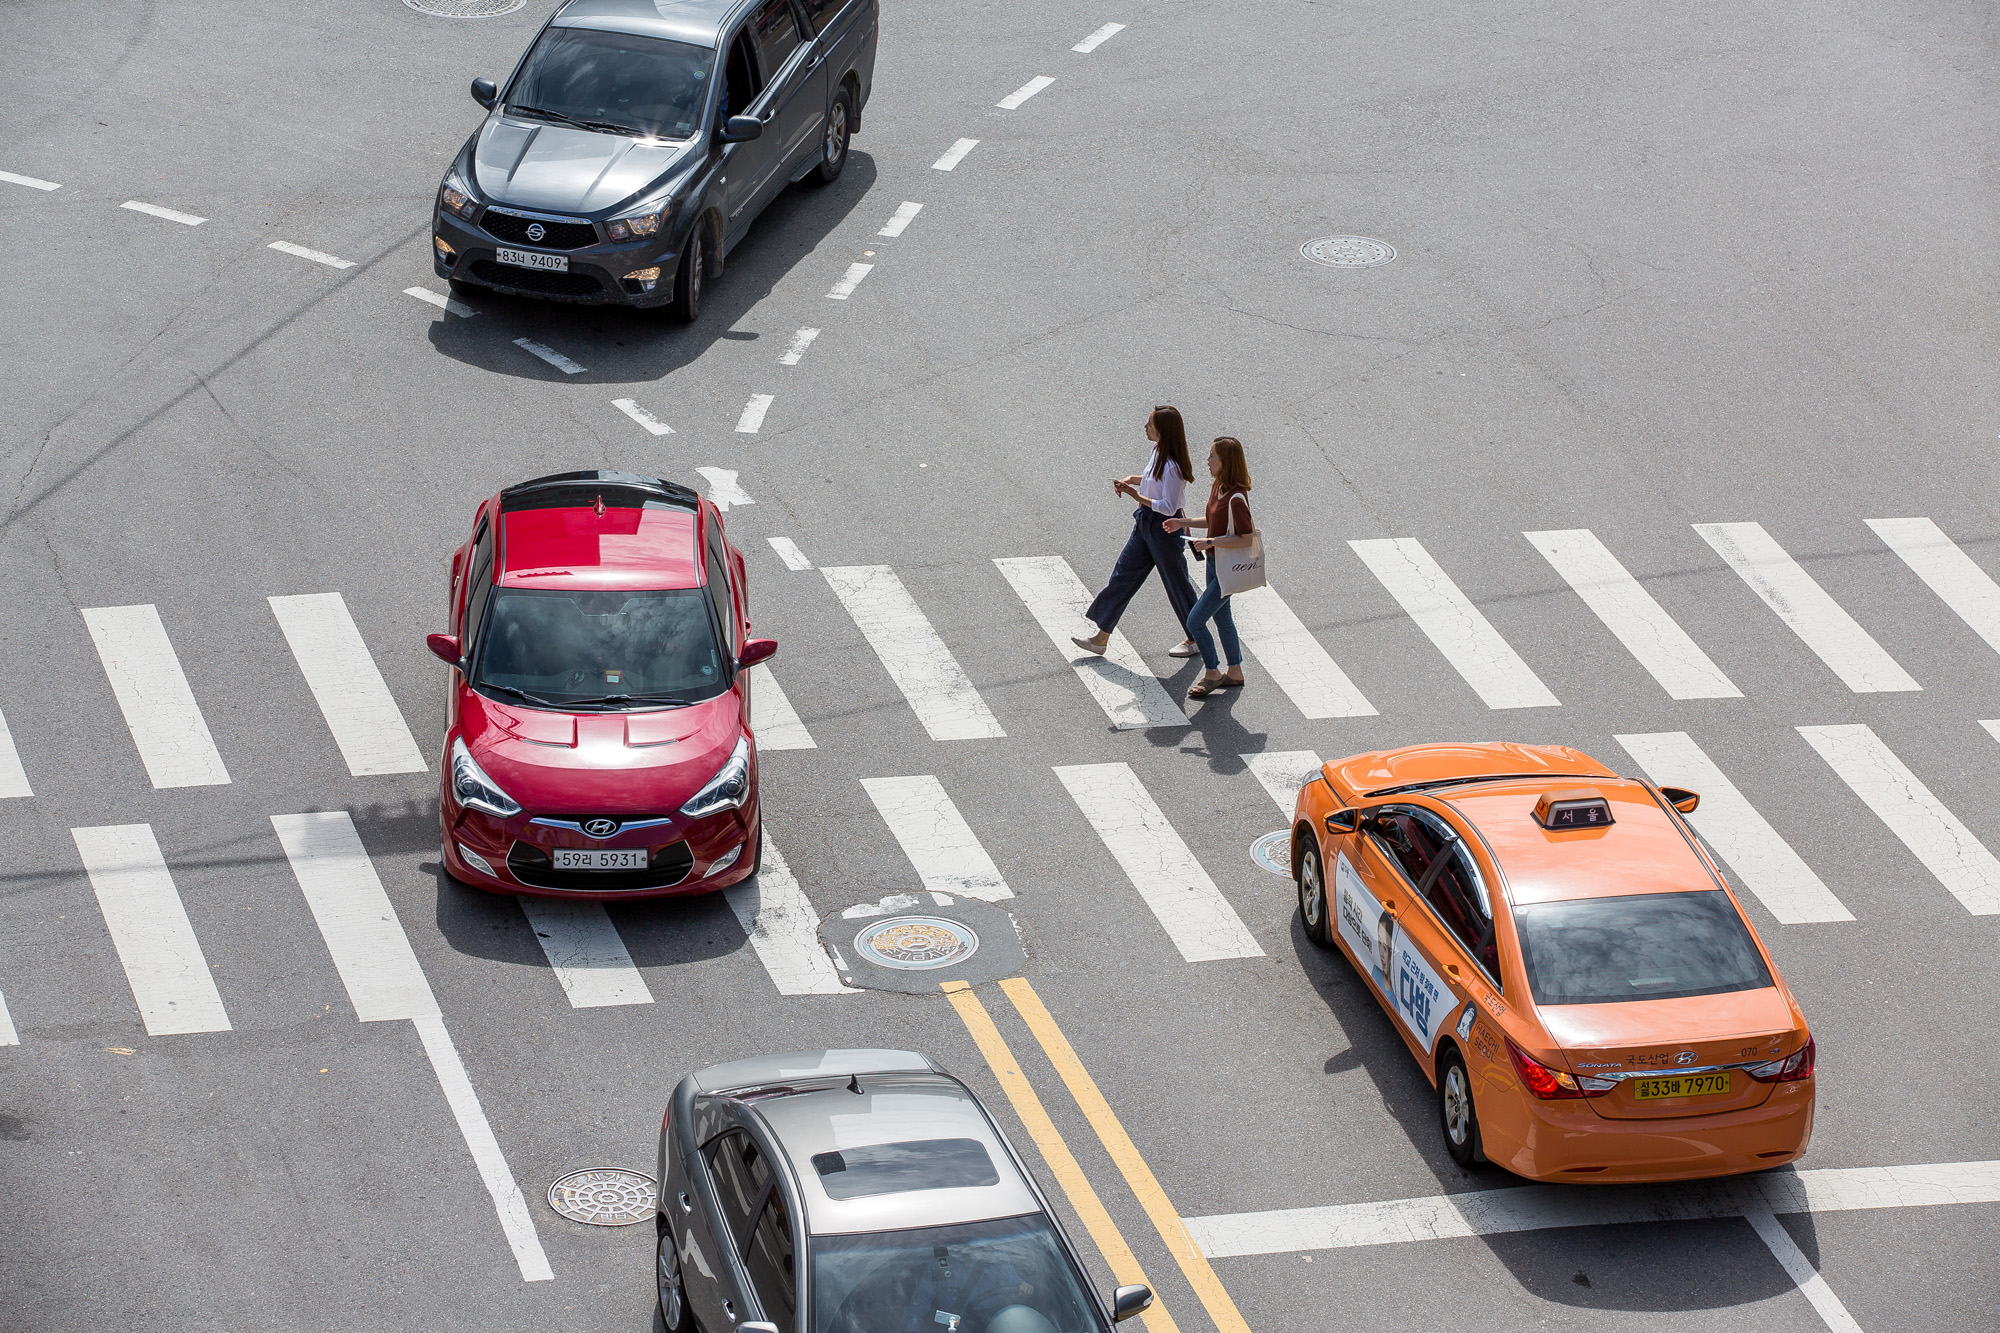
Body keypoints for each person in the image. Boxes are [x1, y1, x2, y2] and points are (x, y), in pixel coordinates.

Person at [1071, 407, 1201, 660]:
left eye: (1150, 424)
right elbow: (1154, 481)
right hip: (1145, 523)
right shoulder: (1157, 452)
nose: (1145, 426)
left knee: (1177, 585)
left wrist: (1135, 496)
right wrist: (1133, 479)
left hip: (1165, 528)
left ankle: (1196, 638)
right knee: (1123, 576)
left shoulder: (1173, 465)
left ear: (1162, 431)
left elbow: (1169, 506)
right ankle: (1101, 638)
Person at [1164, 436, 1254, 698]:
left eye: (1212, 455)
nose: (1207, 459)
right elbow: (1214, 520)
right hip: (1215, 563)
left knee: (1195, 620)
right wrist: (1184, 522)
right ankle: (1235, 671)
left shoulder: (1237, 498)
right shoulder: (1218, 487)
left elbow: (1246, 537)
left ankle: (1213, 671)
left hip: (1227, 567)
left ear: (1225, 461)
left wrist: (1211, 541)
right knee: (1223, 618)